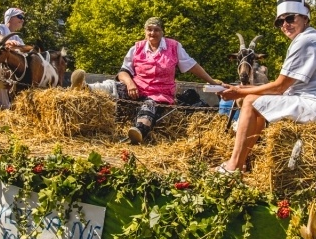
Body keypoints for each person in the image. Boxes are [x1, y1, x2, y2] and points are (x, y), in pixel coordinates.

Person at [216, 0, 316, 173]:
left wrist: (240, 93)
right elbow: (281, 88)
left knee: (250, 101)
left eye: (290, 18)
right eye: (280, 22)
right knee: (255, 100)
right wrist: (240, 88)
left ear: (304, 18)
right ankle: (241, 162)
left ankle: (233, 166)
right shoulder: (308, 38)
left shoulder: (306, 41)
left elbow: (279, 87)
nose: (285, 25)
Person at [70, 16, 220, 144]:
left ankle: (138, 131)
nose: (152, 33)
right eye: (149, 29)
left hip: (160, 92)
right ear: (145, 31)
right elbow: (123, 72)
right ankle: (85, 87)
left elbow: (192, 65)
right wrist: (130, 83)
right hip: (137, 87)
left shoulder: (174, 47)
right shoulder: (137, 47)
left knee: (149, 106)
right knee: (113, 87)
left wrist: (212, 81)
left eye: (156, 30)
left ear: (162, 32)